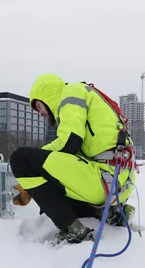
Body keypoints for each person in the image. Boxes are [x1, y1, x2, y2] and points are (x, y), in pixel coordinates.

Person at [10, 73, 137, 244]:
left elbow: (70, 142)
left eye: (39, 106)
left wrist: (35, 164)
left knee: (21, 159)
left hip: (105, 178)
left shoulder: (70, 93)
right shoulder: (84, 96)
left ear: (48, 96)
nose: (40, 114)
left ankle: (73, 230)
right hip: (118, 181)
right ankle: (111, 214)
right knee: (57, 190)